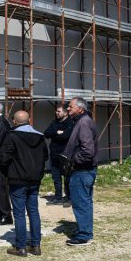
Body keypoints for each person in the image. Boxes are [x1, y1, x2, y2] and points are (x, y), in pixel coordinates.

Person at [0, 110, 48, 257]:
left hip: (17, 178)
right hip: (34, 179)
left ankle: (21, 247)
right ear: (29, 120)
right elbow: (45, 156)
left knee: (19, 213)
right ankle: (35, 245)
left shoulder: (12, 135)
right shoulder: (40, 136)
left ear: (14, 121)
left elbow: (4, 157)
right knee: (33, 211)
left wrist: (6, 171)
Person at [64, 97, 98, 246]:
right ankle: (84, 230)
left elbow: (87, 151)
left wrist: (73, 160)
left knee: (81, 203)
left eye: (71, 107)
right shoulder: (83, 121)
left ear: (80, 109)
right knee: (85, 202)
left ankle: (84, 235)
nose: (68, 109)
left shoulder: (83, 123)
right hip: (84, 170)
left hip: (82, 171)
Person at [44, 103, 74, 206]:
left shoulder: (70, 123)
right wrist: (57, 132)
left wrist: (55, 134)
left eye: (58, 111)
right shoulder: (55, 122)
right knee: (56, 177)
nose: (56, 113)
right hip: (54, 154)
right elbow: (46, 133)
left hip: (65, 154)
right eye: (56, 111)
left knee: (67, 176)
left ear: (65, 113)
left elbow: (66, 136)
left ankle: (69, 197)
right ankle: (58, 197)